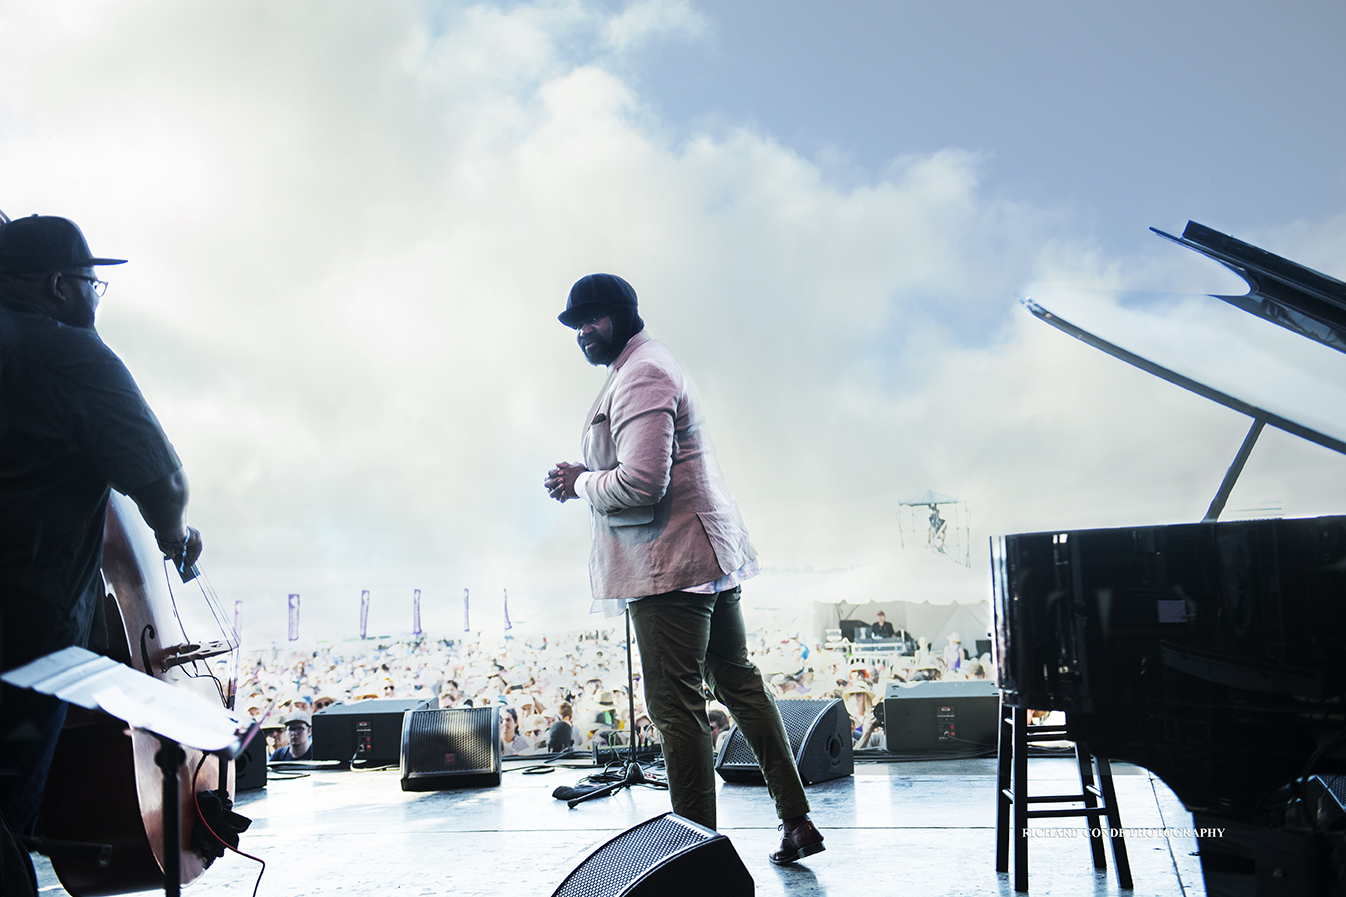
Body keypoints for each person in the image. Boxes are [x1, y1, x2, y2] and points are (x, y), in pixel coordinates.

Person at [543, 273, 823, 864]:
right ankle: (796, 820)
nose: (583, 333)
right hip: (703, 557)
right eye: (577, 325)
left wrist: (580, 483)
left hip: (670, 565)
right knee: (740, 686)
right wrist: (589, 476)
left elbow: (643, 483)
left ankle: (696, 859)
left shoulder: (643, 372)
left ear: (621, 315)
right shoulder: (645, 366)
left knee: (677, 709)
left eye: (592, 320)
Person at [0, 215, 203, 893]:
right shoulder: (68, 353)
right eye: (93, 283)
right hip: (24, 635)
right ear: (59, 286)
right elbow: (159, 478)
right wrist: (176, 538)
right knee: (5, 822)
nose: (94, 297)